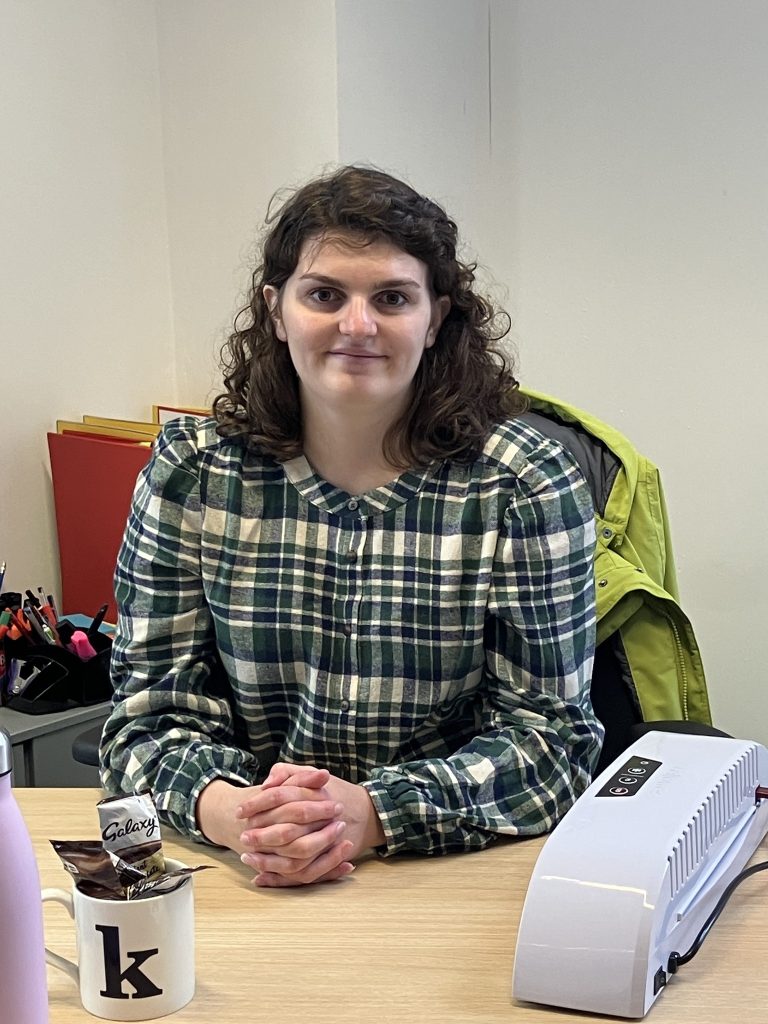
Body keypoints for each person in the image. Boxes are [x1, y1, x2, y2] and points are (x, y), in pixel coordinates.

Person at [100, 165, 602, 888]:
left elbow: (554, 743)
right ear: (277, 311)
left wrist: (370, 813)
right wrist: (233, 811)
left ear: (436, 319)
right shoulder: (192, 473)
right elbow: (144, 720)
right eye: (325, 295)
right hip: (243, 869)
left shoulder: (522, 484)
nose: (357, 325)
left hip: (445, 873)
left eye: (392, 297)